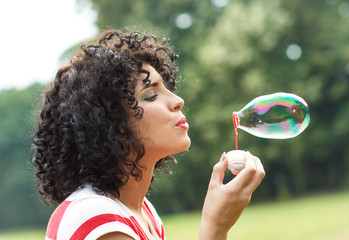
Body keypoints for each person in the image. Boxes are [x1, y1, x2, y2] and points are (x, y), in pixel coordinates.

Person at [32, 29, 265, 240]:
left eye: (167, 89)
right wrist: (215, 226)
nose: (177, 101)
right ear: (111, 124)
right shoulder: (96, 217)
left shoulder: (143, 213)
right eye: (151, 95)